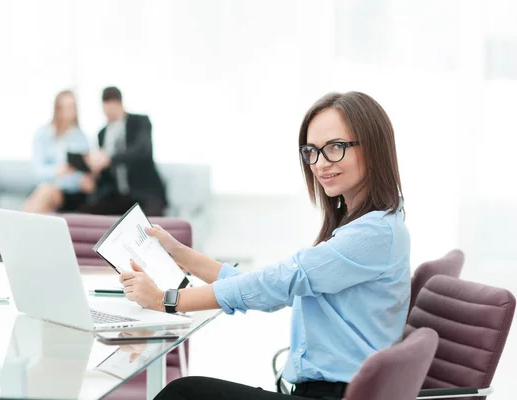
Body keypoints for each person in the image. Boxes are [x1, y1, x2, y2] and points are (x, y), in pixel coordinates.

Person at [119, 91, 411, 400]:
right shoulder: (362, 224)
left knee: (184, 393)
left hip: (332, 395)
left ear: (374, 147)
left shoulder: (373, 233)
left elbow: (276, 283)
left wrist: (166, 300)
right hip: (320, 391)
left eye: (335, 147)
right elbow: (267, 286)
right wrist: (179, 252)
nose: (320, 163)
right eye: (312, 151)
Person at [80, 86, 167, 216]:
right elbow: (106, 173)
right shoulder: (102, 133)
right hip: (119, 195)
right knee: (86, 213)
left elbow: (142, 150)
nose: (109, 114)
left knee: (151, 224)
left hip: (145, 192)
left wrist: (109, 159)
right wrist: (94, 169)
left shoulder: (140, 122)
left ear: (119, 104)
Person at [23, 90, 95, 213]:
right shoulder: (43, 135)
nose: (70, 111)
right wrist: (59, 171)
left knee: (47, 191)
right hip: (47, 189)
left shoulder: (81, 137)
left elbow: (83, 176)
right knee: (45, 195)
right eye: (66, 107)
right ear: (57, 109)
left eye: (73, 106)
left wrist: (80, 179)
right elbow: (37, 172)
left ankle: (11, 229)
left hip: (70, 194)